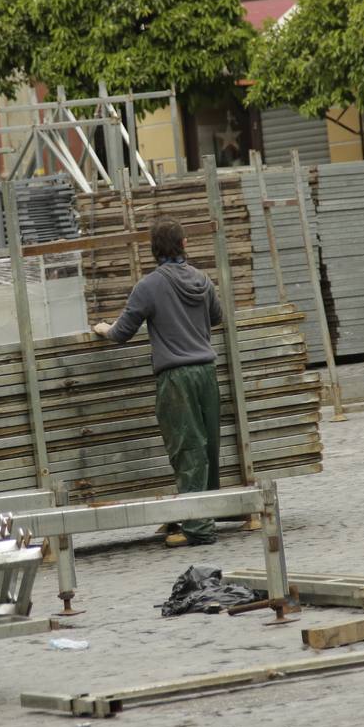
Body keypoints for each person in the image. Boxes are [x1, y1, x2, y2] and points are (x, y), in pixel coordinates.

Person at [92, 216, 225, 548]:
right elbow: (217, 317)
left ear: (154, 251)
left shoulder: (148, 287)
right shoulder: (203, 280)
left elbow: (122, 333)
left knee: (188, 449)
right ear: (183, 245)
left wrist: (103, 328)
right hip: (207, 373)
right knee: (207, 446)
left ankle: (198, 528)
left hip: (176, 378)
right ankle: (205, 513)